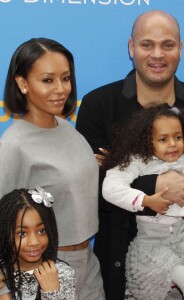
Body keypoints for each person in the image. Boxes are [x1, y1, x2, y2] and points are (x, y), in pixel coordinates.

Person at [76, 10, 184, 300]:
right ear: (131, 47)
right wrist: (155, 185)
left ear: (181, 48)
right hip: (120, 264)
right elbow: (93, 189)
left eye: (168, 45)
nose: (157, 54)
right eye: (147, 44)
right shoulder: (98, 105)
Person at [0, 38, 105, 299]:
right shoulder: (14, 144)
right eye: (48, 80)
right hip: (45, 269)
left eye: (66, 78)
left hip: (87, 262)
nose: (61, 89)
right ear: (22, 83)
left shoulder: (67, 127)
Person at [102, 105, 184, 300]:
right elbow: (110, 188)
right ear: (147, 140)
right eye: (163, 139)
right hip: (153, 243)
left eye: (178, 137)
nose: (172, 144)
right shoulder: (137, 161)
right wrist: (146, 200)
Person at [0, 187, 76, 299]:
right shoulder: (2, 273)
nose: (34, 242)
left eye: (41, 231)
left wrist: (52, 293)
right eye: (22, 233)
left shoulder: (61, 273)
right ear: (5, 233)